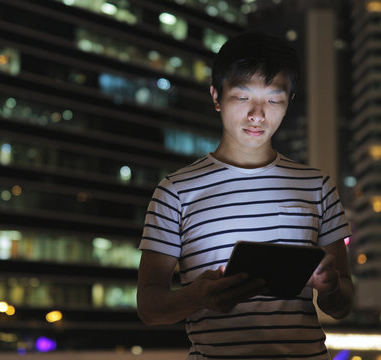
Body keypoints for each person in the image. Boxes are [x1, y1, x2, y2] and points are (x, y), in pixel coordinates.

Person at [136, 32, 354, 359]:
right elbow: (149, 307)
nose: (257, 114)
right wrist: (197, 297)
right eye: (242, 97)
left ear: (289, 101)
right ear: (216, 96)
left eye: (274, 99)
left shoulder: (317, 185)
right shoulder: (175, 191)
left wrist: (331, 287)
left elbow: (342, 304)